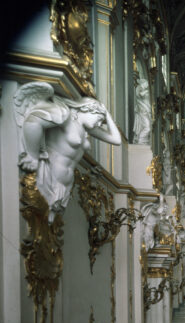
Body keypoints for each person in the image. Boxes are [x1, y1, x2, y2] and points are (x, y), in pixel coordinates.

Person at [14, 82, 121, 222]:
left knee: (49, 227)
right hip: (49, 179)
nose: (100, 124)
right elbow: (33, 121)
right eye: (99, 119)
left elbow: (116, 139)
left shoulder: (86, 128)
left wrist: (105, 113)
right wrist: (33, 156)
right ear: (87, 110)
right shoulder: (64, 114)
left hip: (65, 186)